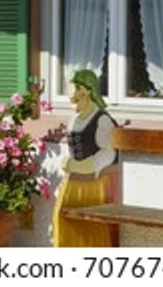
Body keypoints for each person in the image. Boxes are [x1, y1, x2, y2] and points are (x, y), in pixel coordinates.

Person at [51, 69, 119, 247]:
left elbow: (109, 152)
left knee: (91, 230)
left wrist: (87, 165)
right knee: (63, 221)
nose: (72, 96)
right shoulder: (74, 119)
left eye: (77, 89)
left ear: (88, 91)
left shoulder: (102, 120)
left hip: (95, 184)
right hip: (73, 181)